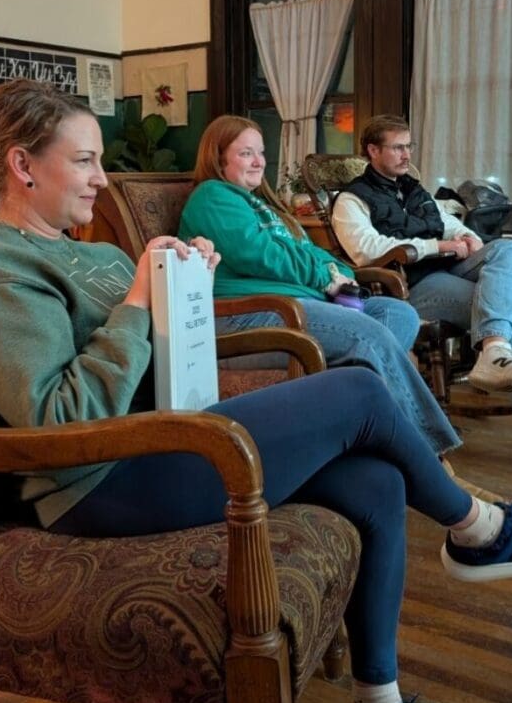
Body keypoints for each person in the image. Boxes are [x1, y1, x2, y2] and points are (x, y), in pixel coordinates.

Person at [0, 79, 512, 703]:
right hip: (95, 484)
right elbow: (60, 421)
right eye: (84, 161)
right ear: (24, 166)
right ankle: (477, 529)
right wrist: (140, 302)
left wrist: (185, 290)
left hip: (167, 438)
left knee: (375, 481)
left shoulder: (97, 257)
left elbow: (159, 359)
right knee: (358, 391)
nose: (102, 178)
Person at [178, 117, 471, 472]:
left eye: (261, 152)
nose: (258, 162)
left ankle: (366, 426)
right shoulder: (213, 196)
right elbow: (262, 255)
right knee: (369, 335)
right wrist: (325, 276)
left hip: (299, 303)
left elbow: (310, 251)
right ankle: (428, 456)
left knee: (397, 313)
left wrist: (336, 272)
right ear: (218, 157)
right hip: (252, 315)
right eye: (245, 153)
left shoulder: (262, 205)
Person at [329, 115, 512, 484]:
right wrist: (438, 246)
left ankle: (495, 350)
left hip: (449, 269)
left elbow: (447, 221)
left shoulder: (413, 188)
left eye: (409, 146)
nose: (407, 154)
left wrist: (468, 237)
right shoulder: (351, 199)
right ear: (373, 151)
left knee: (507, 248)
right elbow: (367, 251)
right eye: (398, 147)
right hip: (412, 286)